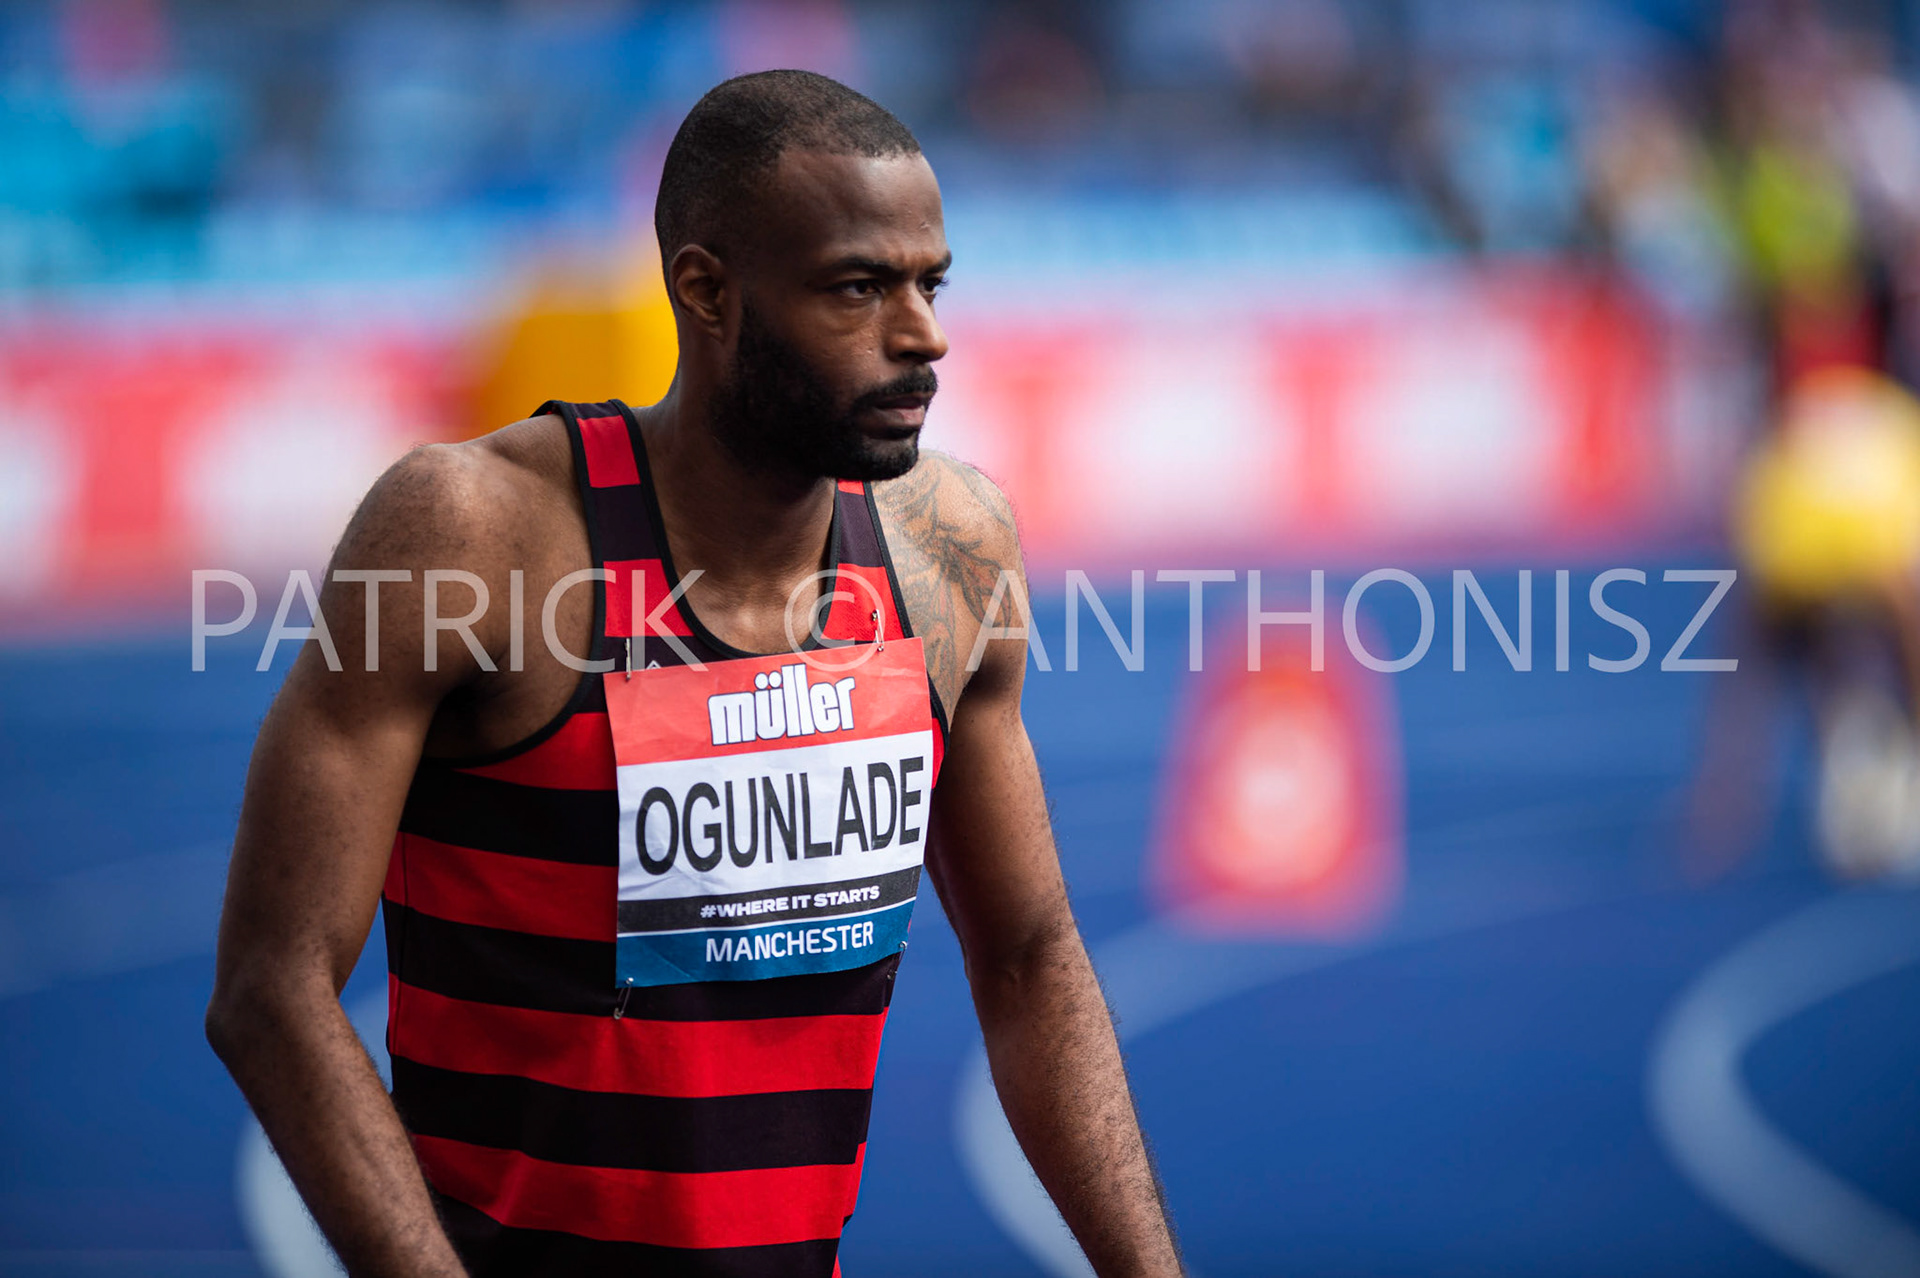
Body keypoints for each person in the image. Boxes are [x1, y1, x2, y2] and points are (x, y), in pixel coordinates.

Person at [205, 70, 1184, 1278]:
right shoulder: (477, 535)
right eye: (858, 288)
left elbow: (1032, 958)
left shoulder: (950, 552)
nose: (925, 333)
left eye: (931, 283)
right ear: (706, 291)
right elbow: (272, 985)